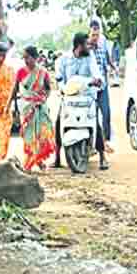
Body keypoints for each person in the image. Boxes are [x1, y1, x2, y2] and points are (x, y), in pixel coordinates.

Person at [53, 32, 104, 169]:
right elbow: (60, 78)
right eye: (87, 44)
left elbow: (96, 73)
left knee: (96, 123)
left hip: (87, 98)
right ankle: (57, 157)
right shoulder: (64, 59)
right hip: (69, 98)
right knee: (58, 122)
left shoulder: (90, 58)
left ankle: (102, 157)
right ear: (79, 45)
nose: (90, 46)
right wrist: (62, 88)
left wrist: (97, 80)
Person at [11, 46, 57, 172]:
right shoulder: (20, 72)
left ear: (35, 58)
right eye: (24, 58)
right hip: (26, 109)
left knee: (42, 135)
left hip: (40, 108)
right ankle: (32, 161)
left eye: (28, 57)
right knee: (28, 136)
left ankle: (38, 160)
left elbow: (48, 88)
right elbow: (14, 90)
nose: (26, 60)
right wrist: (11, 105)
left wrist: (43, 99)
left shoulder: (43, 72)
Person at [88, 18, 117, 168]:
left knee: (106, 113)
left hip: (103, 83)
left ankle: (105, 141)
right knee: (93, 117)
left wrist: (113, 67)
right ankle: (95, 145)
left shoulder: (104, 41)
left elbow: (106, 56)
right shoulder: (87, 44)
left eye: (97, 33)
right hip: (92, 85)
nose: (96, 36)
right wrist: (90, 45)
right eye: (93, 33)